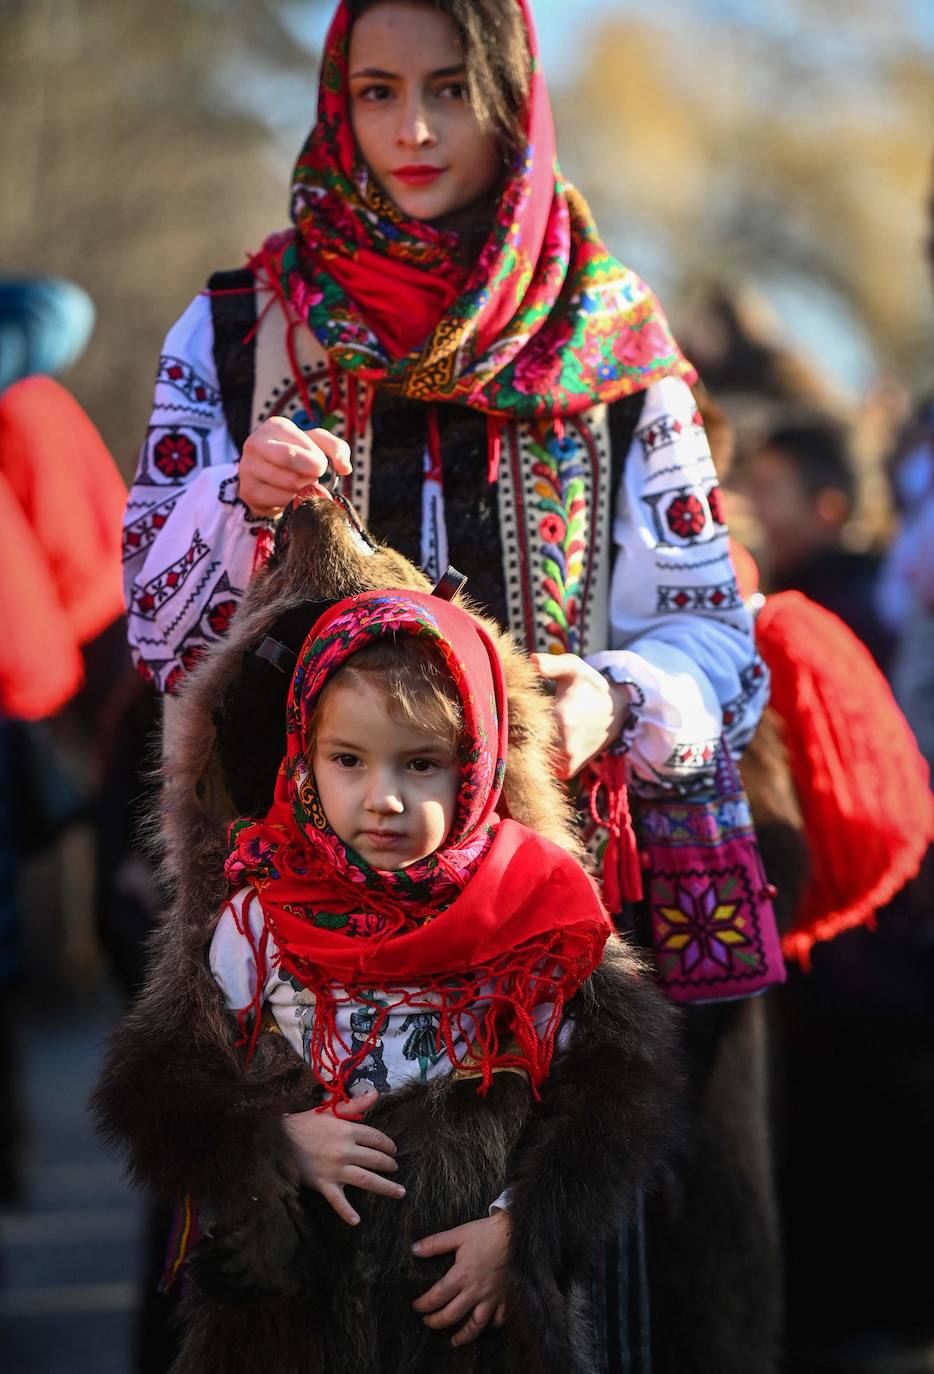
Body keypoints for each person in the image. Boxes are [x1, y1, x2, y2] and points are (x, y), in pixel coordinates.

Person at [118, 2, 777, 1368]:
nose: (410, 131)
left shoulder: (608, 336)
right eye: (374, 90)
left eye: (449, 92)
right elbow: (157, 631)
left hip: (558, 928)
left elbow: (715, 625)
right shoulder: (244, 324)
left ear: (515, 100)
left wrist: (605, 700)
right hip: (296, 952)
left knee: (559, 1288)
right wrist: (243, 508)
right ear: (334, 102)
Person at [94, 559, 679, 1374]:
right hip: (288, 1317)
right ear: (304, 754)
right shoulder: (260, 915)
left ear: (477, 762)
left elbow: (615, 1096)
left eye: (420, 763)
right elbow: (156, 1079)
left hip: (467, 1312)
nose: (384, 798)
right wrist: (269, 1143)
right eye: (348, 761)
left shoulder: (539, 916)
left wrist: (524, 1232)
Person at [743, 417, 894, 669]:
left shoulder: (859, 613)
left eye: (768, 490)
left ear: (829, 508)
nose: (752, 509)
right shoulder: (791, 584)